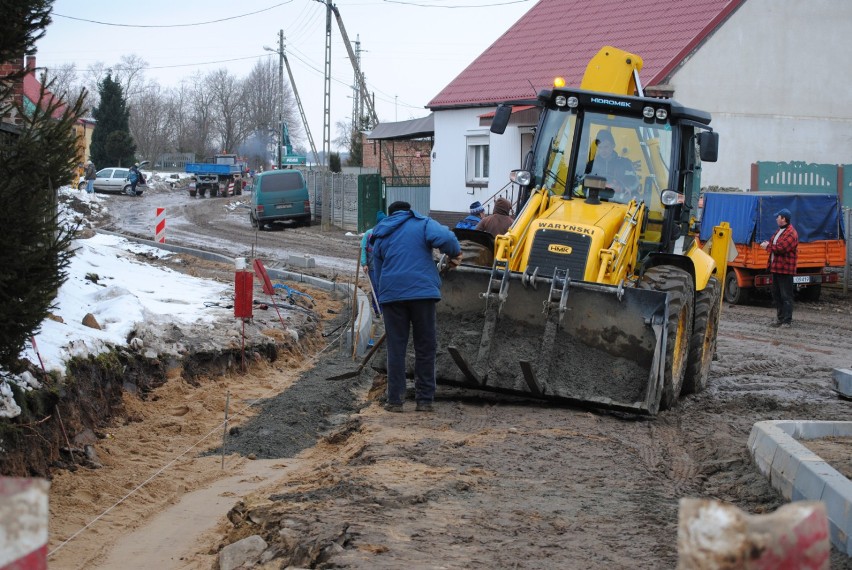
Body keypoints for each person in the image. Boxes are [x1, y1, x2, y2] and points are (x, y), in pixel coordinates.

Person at [371, 201, 462, 413]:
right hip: (422, 294)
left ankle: (395, 401)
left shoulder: (381, 233)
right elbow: (447, 239)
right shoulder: (422, 224)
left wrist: (383, 300)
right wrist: (454, 253)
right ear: (408, 210)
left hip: (392, 297)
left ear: (390, 215)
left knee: (396, 348)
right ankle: (424, 400)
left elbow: (377, 272)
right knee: (425, 346)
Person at [760, 208, 799, 327]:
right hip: (776, 268)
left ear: (784, 219)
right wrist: (769, 244)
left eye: (778, 217)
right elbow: (774, 244)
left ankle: (787, 321)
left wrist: (767, 246)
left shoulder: (791, 233)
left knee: (786, 296)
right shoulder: (779, 231)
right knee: (776, 295)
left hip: (785, 269)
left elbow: (781, 248)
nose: (776, 218)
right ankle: (780, 319)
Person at [584, 129, 639, 200]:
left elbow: (634, 182)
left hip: (620, 201)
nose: (603, 150)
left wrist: (624, 188)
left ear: (613, 145)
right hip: (595, 200)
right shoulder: (591, 165)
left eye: (606, 147)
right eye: (600, 147)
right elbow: (583, 183)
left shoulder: (625, 163)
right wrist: (603, 185)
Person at [360, 211, 386, 315]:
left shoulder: (386, 234)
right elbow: (363, 249)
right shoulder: (369, 234)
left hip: (384, 267)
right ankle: (377, 311)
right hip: (372, 267)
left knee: (383, 288)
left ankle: (384, 310)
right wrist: (364, 263)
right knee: (375, 289)